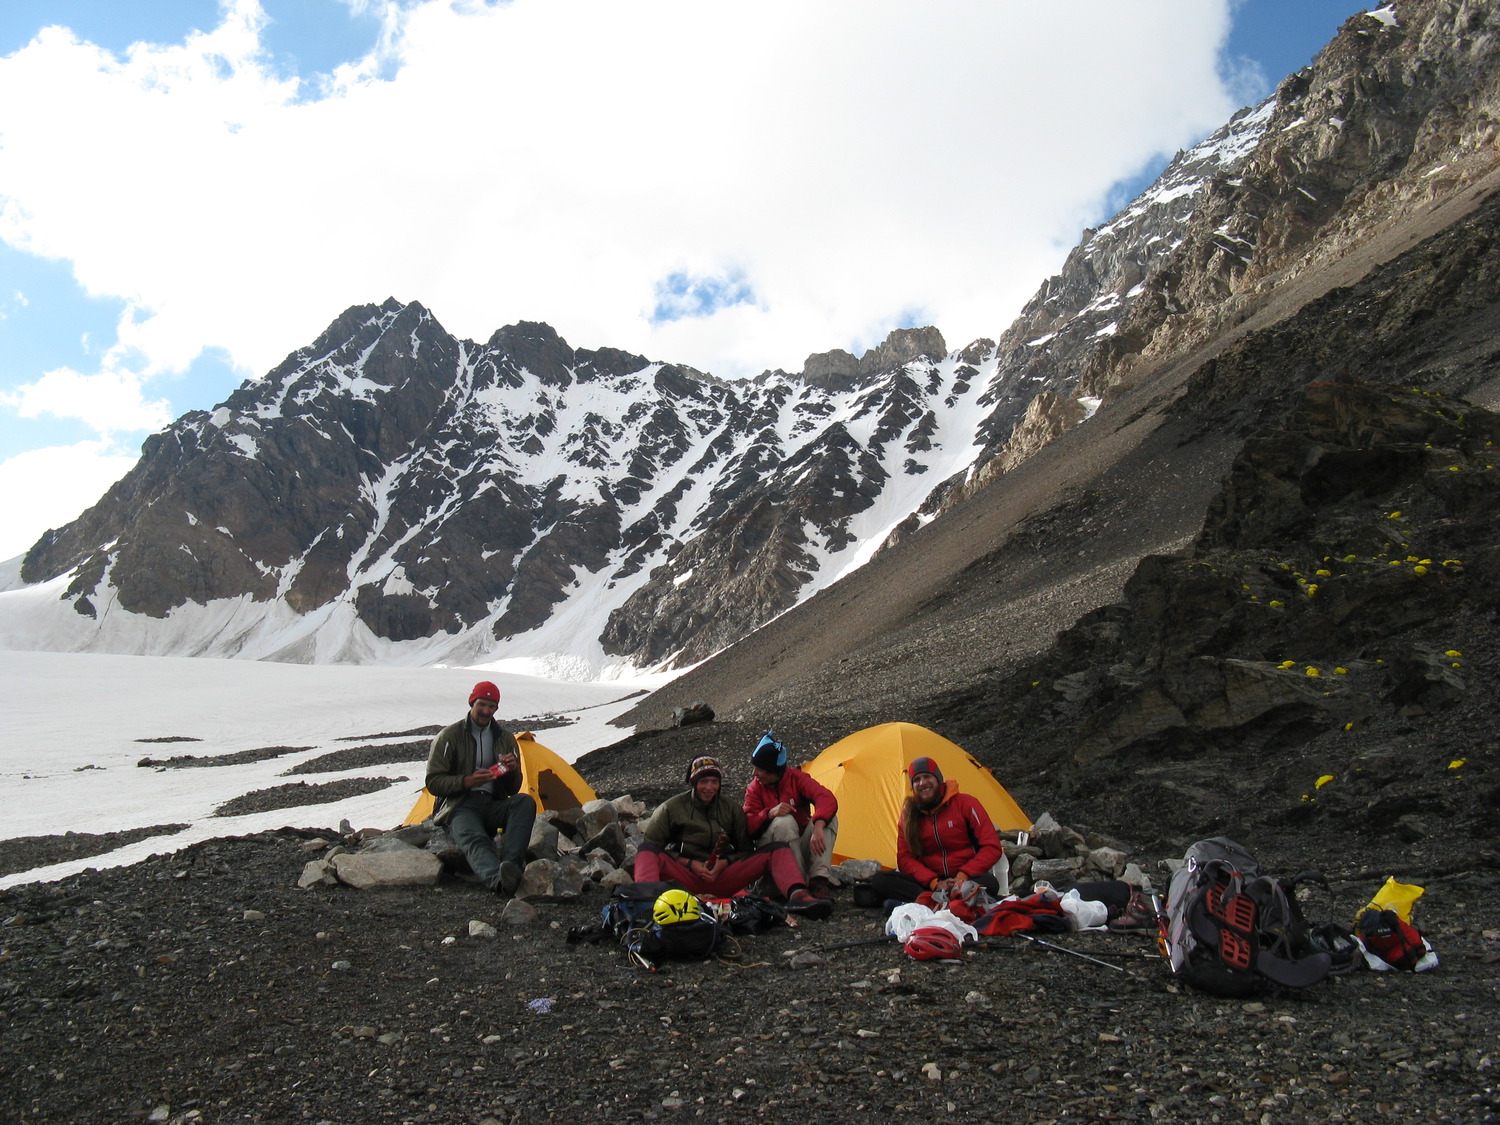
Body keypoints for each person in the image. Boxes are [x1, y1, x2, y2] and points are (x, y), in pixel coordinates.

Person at [634, 755, 834, 919]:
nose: (709, 788)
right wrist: (689, 864)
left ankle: (799, 895)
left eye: (714, 782)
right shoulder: (671, 808)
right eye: (703, 782)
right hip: (686, 878)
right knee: (645, 851)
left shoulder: (730, 809)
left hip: (722, 877)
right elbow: (653, 848)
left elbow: (746, 849)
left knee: (776, 851)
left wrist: (724, 863)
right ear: (694, 783)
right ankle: (645, 902)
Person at [424, 681, 536, 895]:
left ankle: (511, 865)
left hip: (492, 803)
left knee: (524, 802)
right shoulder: (449, 736)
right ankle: (500, 881)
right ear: (472, 702)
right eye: (482, 705)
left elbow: (513, 789)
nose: (486, 711)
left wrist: (512, 770)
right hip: (460, 805)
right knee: (475, 839)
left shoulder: (505, 738)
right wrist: (466, 781)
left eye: (491, 706)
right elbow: (433, 782)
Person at [869, 756, 1005, 905]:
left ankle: (931, 903)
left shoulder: (966, 804)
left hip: (966, 878)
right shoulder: (909, 815)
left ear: (939, 779)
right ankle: (947, 901)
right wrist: (934, 882)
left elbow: (992, 847)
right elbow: (904, 857)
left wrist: (963, 875)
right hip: (930, 883)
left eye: (927, 777)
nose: (922, 783)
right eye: (916, 780)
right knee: (880, 880)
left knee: (990, 882)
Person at [743, 732, 839, 900]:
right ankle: (797, 884)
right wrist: (769, 813)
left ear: (774, 772)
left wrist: (818, 825)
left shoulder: (795, 778)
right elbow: (747, 826)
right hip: (773, 852)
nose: (754, 774)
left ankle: (818, 881)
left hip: (799, 844)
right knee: (784, 822)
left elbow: (826, 798)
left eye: (759, 769)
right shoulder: (755, 789)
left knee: (829, 819)